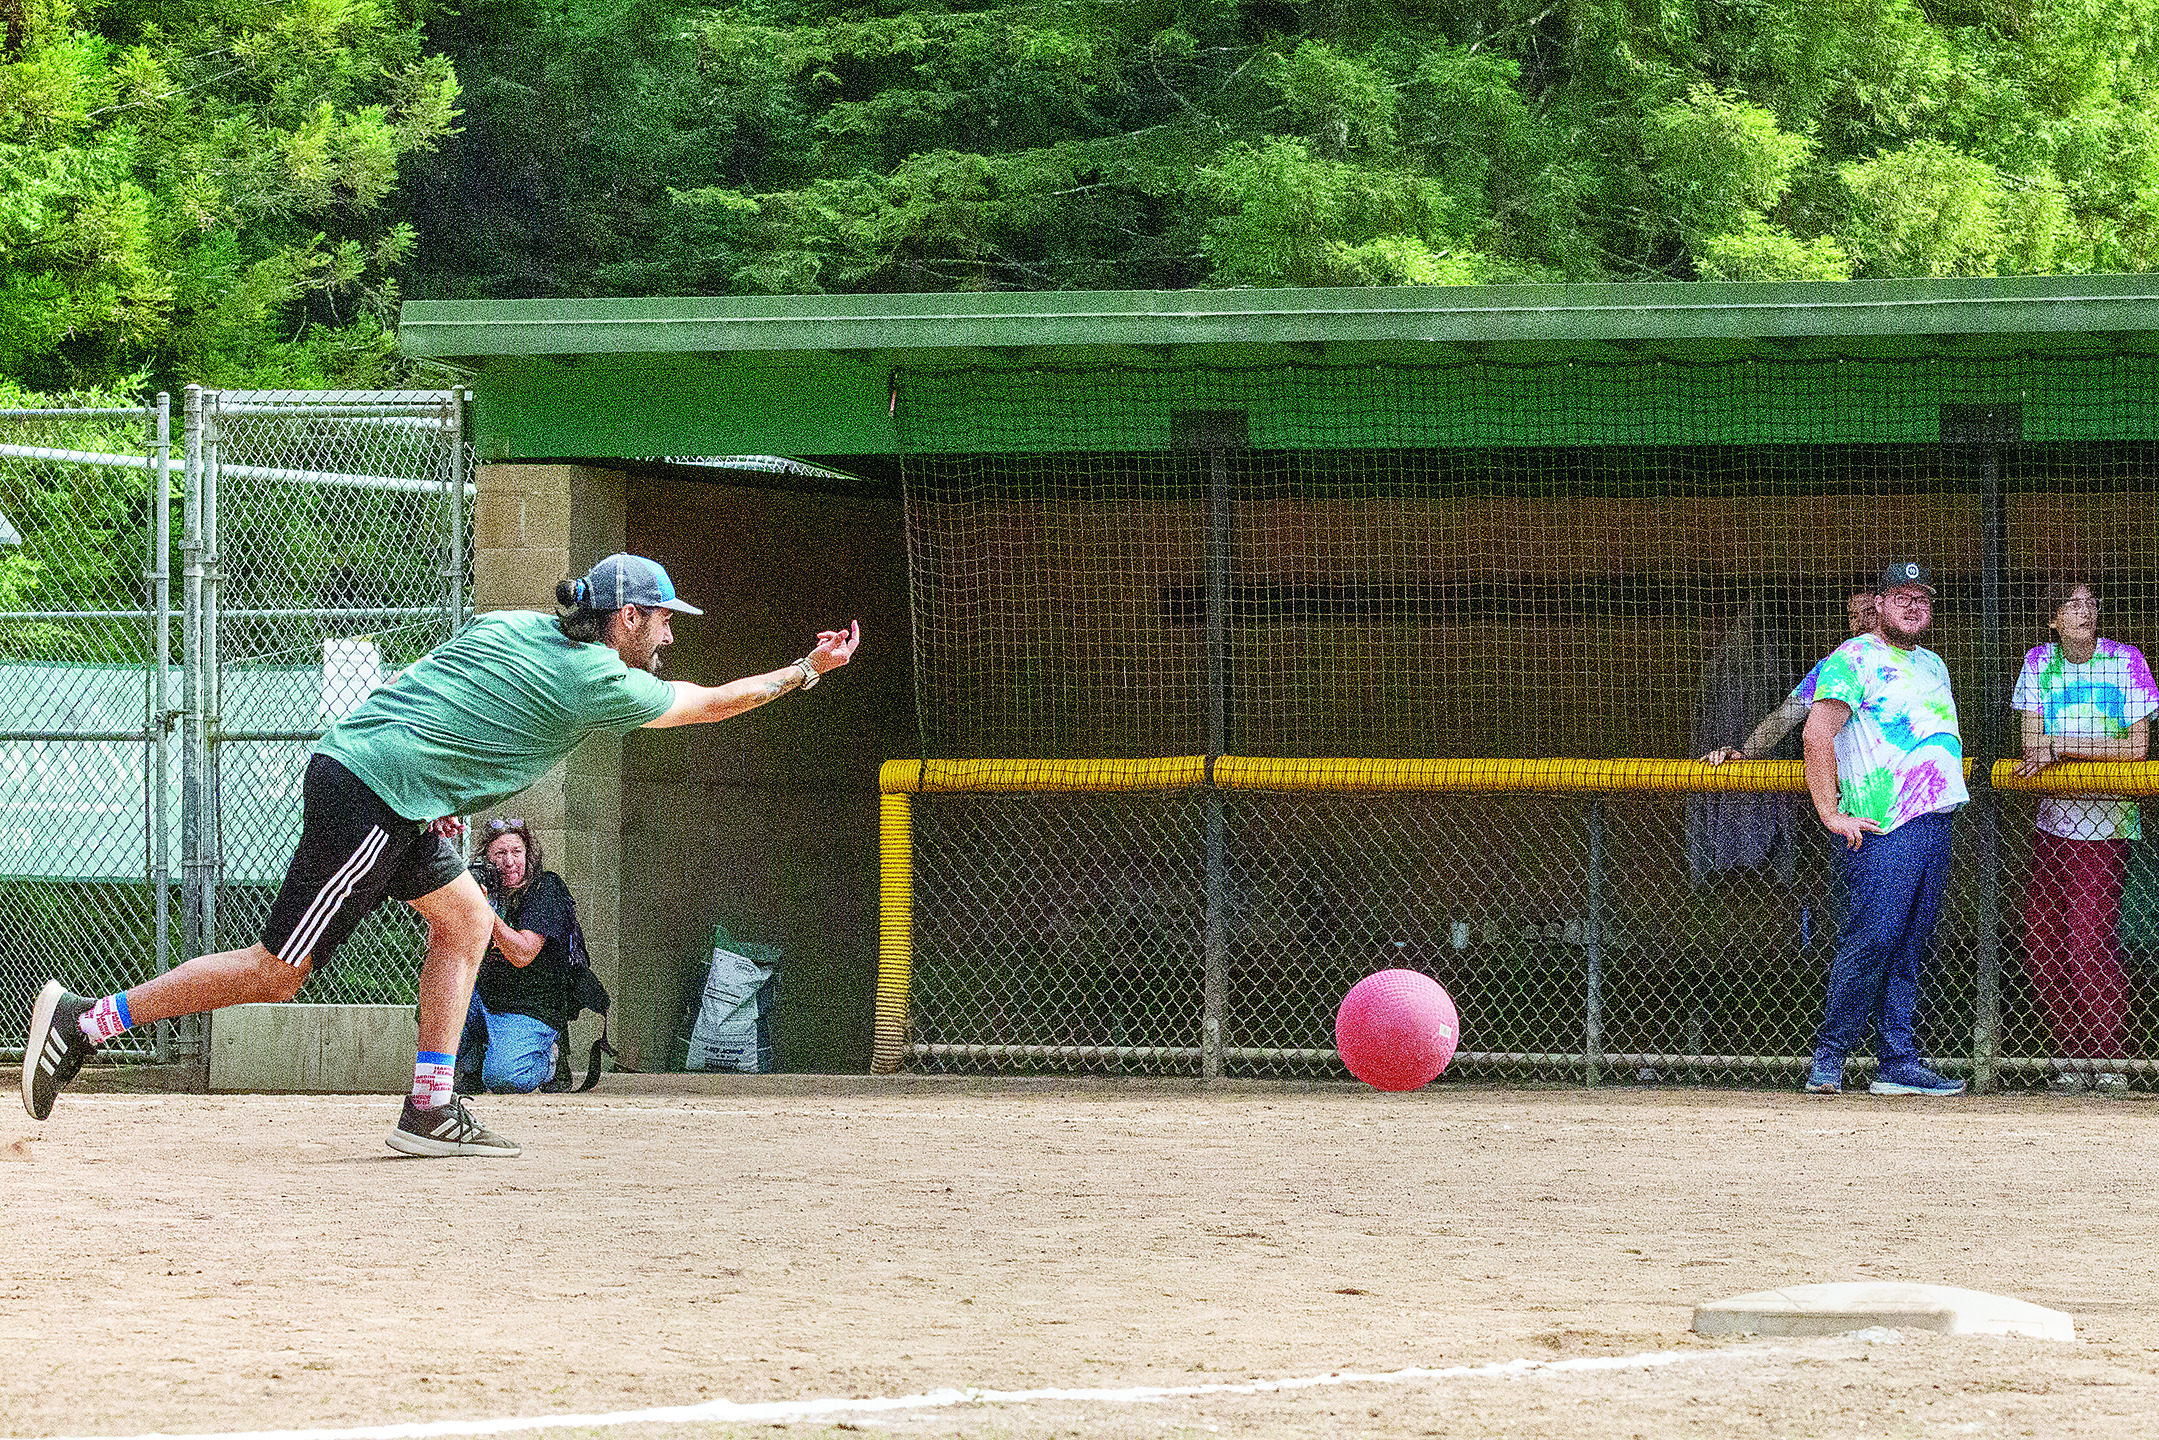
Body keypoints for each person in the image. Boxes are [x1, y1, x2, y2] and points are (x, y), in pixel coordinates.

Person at [22, 553, 861, 1156]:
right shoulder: (598, 678)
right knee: (277, 971)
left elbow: (431, 681)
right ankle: (88, 1020)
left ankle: (429, 1107)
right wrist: (807, 668)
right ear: (626, 617)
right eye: (664, 618)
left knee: (464, 922)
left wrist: (434, 781)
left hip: (397, 789)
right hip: (375, 792)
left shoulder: (517, 625)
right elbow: (711, 706)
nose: (670, 635)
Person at [1800, 561, 1968, 1097]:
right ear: (1879, 604)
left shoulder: (1934, 664)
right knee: (1870, 940)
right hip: (1882, 825)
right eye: (1902, 596)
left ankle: (1897, 1062)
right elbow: (1815, 735)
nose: (1914, 605)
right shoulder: (1853, 659)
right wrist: (1830, 811)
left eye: (1923, 597)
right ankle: (1829, 1062)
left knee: (1910, 944)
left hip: (1934, 821)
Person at [2011, 580, 2157, 1094]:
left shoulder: (2126, 662)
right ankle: (2071, 1057)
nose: (2084, 611)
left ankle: (2110, 1060)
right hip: (2052, 826)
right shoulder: (2038, 661)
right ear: (2053, 619)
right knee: (2041, 943)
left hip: (2107, 826)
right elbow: (2031, 743)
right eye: (2071, 604)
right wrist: (2054, 747)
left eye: (2091, 603)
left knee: (2087, 944)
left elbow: (2137, 748)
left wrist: (2062, 746)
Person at [456, 818, 580, 1095]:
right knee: (438, 1002)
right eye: (500, 854)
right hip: (487, 997)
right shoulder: (486, 889)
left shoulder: (546, 889)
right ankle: (475, 1060)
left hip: (531, 1004)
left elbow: (522, 953)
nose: (509, 861)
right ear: (487, 859)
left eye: (516, 852)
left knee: (504, 1079)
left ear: (529, 854)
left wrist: (484, 911)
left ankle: (549, 1060)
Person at [1699, 589, 1878, 765]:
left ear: (1884, 610)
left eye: (1869, 612)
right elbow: (1786, 715)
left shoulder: (1905, 659)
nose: (1860, 623)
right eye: (1853, 616)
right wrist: (1745, 753)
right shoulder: (1834, 666)